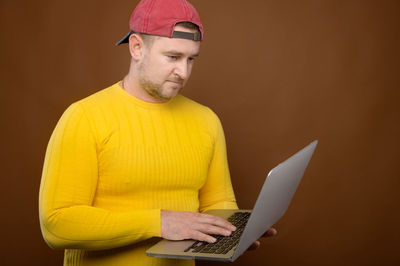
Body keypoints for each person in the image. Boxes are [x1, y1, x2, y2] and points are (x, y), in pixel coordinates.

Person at [39, 0, 276, 265]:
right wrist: (159, 222)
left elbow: (218, 203)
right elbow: (56, 225)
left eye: (191, 59)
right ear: (137, 47)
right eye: (173, 57)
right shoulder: (85, 117)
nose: (183, 72)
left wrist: (235, 230)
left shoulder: (206, 120)